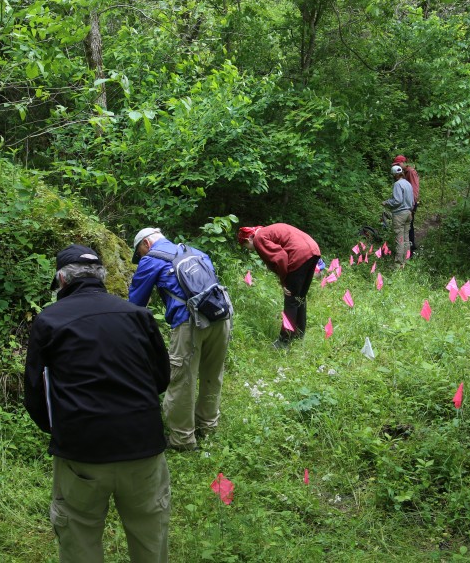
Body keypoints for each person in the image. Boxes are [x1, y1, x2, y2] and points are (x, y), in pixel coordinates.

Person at [25, 244, 171, 563]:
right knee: (150, 532)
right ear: (102, 277)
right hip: (142, 445)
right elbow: (161, 379)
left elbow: (34, 393)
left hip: (80, 451)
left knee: (78, 534)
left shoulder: (49, 320)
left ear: (61, 280)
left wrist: (61, 429)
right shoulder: (139, 315)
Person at [129, 228, 231, 452]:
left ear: (146, 243)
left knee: (182, 379)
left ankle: (182, 440)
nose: (141, 257)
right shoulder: (195, 252)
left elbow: (135, 304)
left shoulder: (152, 260)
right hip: (221, 317)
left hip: (190, 323)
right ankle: (208, 426)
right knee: (213, 374)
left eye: (140, 252)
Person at [237, 224, 321, 348]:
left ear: (249, 238)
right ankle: (299, 334)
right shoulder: (266, 232)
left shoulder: (258, 238)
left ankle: (284, 341)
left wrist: (284, 282)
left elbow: (281, 258)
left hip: (299, 254)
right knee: (300, 297)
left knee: (291, 300)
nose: (249, 249)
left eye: (246, 246)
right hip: (313, 250)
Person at [382, 164, 414, 268]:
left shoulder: (397, 184)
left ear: (395, 175)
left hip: (400, 215)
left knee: (399, 239)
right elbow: (412, 200)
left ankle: (398, 264)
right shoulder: (408, 184)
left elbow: (397, 200)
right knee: (406, 238)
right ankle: (405, 261)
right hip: (409, 213)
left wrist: (387, 202)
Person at [393, 155, 420, 252]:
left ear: (403, 162)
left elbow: (414, 189)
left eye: (398, 164)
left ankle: (410, 250)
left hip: (410, 204)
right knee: (407, 225)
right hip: (407, 203)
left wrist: (411, 205)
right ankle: (409, 248)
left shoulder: (411, 172)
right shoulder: (406, 172)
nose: (397, 166)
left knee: (408, 226)